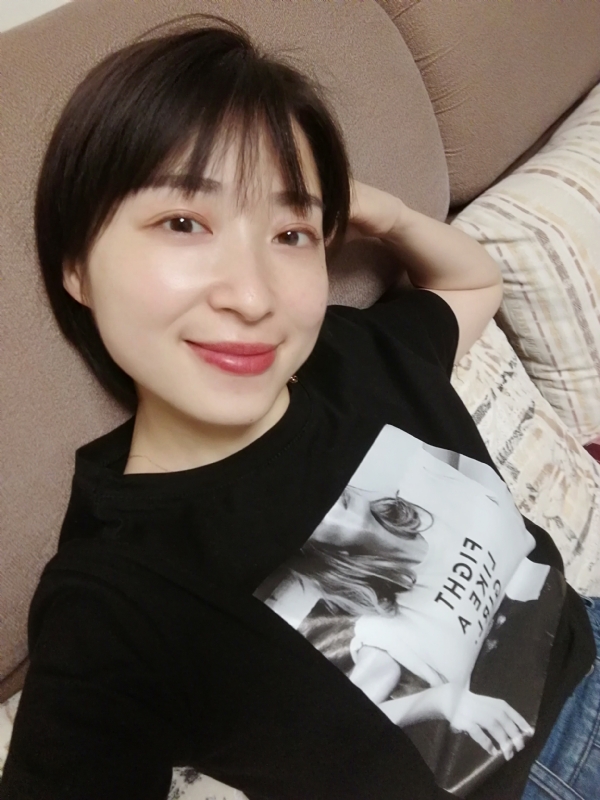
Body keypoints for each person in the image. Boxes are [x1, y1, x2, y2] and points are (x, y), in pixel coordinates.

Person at [0, 15, 597, 800]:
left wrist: (387, 216)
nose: (253, 297)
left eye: (290, 234)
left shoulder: (352, 352)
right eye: (183, 223)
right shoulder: (117, 597)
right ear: (77, 264)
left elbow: (474, 283)